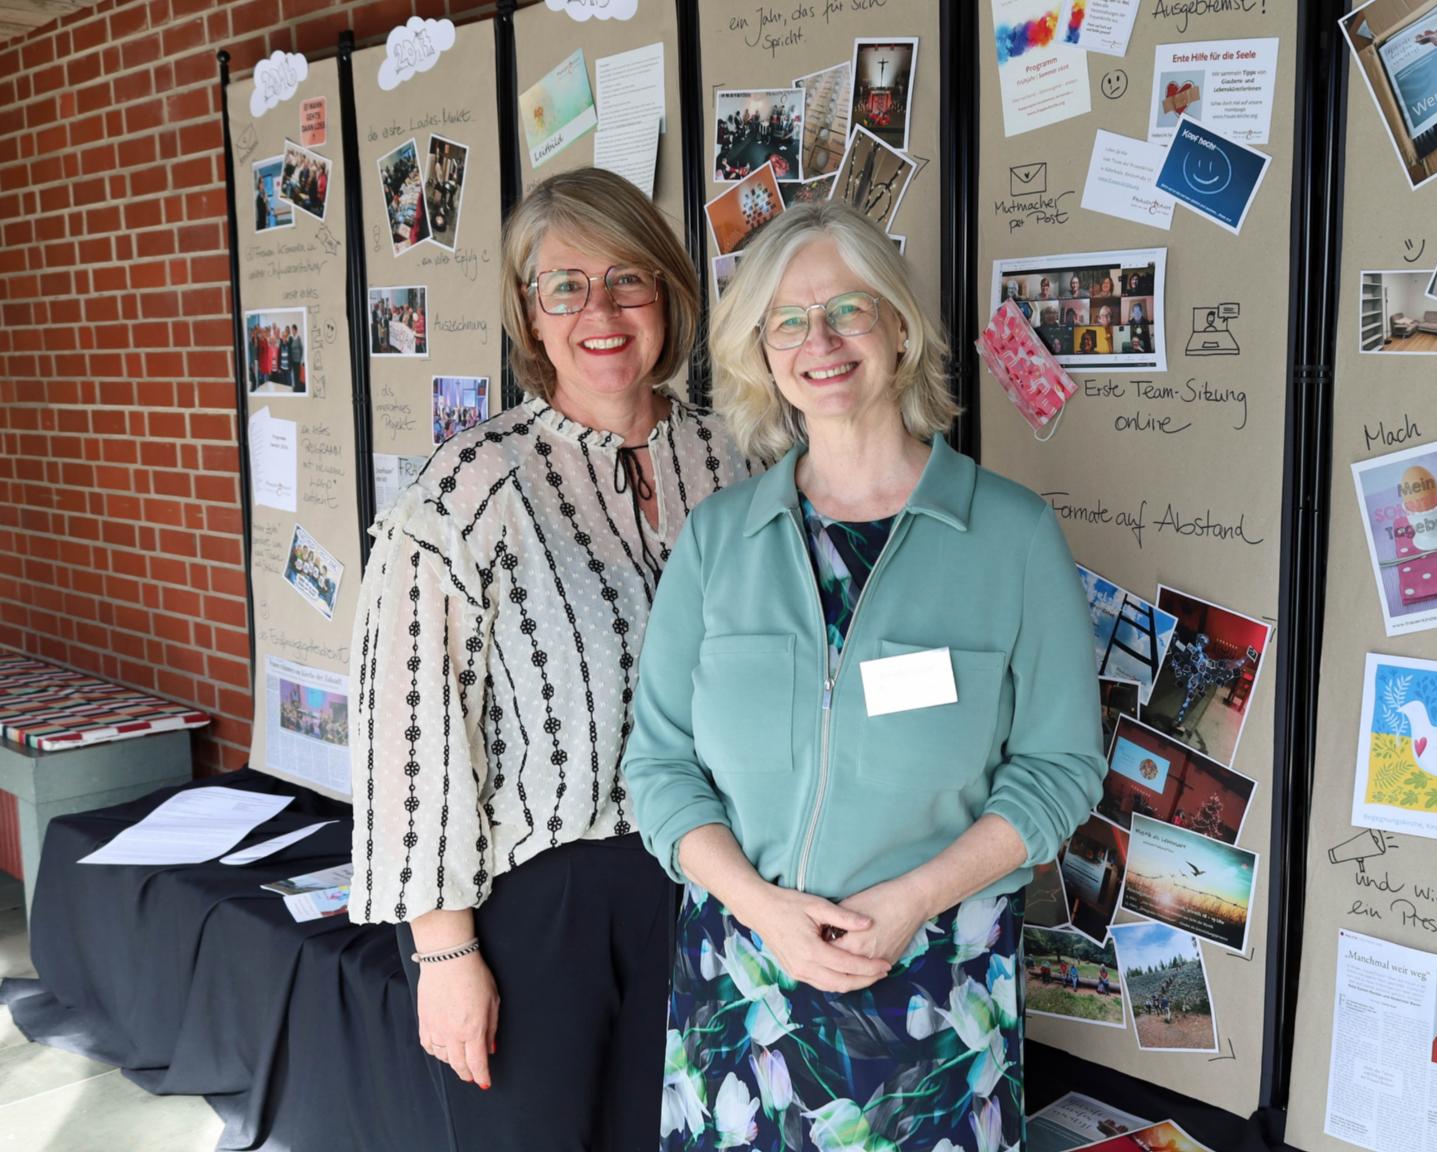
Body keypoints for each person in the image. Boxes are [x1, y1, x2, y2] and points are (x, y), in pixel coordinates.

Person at [622, 201, 1106, 1152]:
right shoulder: (719, 541)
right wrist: (764, 910)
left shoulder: (1010, 536)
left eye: (848, 308)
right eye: (789, 321)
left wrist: (914, 901)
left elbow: (1059, 769)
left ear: (898, 324)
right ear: (761, 351)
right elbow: (659, 768)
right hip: (741, 985)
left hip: (933, 995)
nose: (822, 341)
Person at [348, 167, 743, 1151]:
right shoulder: (468, 490)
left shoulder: (735, 465)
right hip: (537, 908)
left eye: (627, 280)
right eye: (563, 286)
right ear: (529, 314)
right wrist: (443, 956)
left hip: (711, 886)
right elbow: (409, 731)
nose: (598, 311)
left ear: (670, 295)